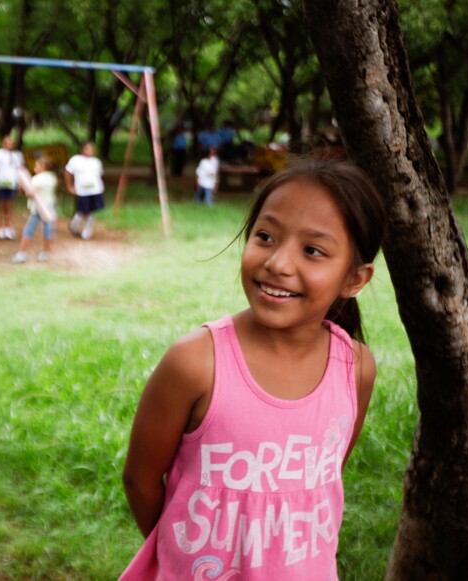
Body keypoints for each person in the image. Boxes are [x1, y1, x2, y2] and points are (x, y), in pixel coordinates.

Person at [120, 157, 387, 579]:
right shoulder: (195, 363)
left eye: (312, 250)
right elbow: (140, 479)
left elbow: (325, 476)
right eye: (265, 236)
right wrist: (181, 555)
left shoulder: (354, 368)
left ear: (355, 279)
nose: (278, 263)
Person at [11, 157, 58, 263]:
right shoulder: (52, 177)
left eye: (37, 166)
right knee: (48, 231)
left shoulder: (38, 179)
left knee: (28, 230)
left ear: (44, 167)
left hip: (39, 209)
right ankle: (46, 253)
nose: (35, 167)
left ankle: (22, 254)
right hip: (50, 206)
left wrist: (24, 189)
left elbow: (31, 193)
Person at [65, 141, 105, 241]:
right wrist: (70, 186)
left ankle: (87, 231)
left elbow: (99, 174)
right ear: (82, 150)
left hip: (95, 189)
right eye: (88, 148)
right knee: (83, 210)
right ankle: (74, 224)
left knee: (91, 210)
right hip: (82, 190)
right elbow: (68, 173)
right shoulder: (75, 160)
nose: (91, 150)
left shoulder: (96, 161)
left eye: (92, 148)